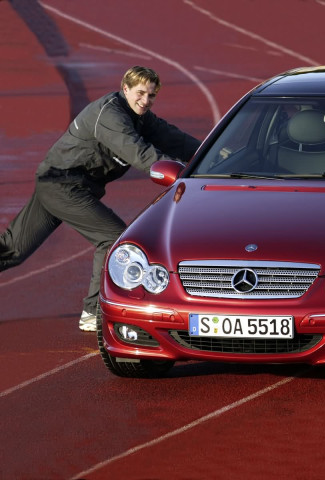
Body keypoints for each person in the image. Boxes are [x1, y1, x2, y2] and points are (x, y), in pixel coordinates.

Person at [0, 66, 201, 332]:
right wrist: (177, 172)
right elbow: (140, 154)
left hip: (61, 184)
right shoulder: (111, 115)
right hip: (63, 185)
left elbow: (176, 139)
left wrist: (215, 155)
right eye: (140, 93)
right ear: (125, 88)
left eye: (151, 96)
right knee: (114, 238)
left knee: (13, 248)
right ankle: (92, 313)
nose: (145, 101)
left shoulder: (141, 117)